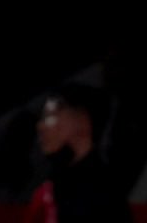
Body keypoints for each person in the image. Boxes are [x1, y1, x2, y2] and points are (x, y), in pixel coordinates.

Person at [24, 82, 133, 223]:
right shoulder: (52, 186)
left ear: (83, 120)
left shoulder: (101, 192)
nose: (40, 126)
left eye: (50, 115)